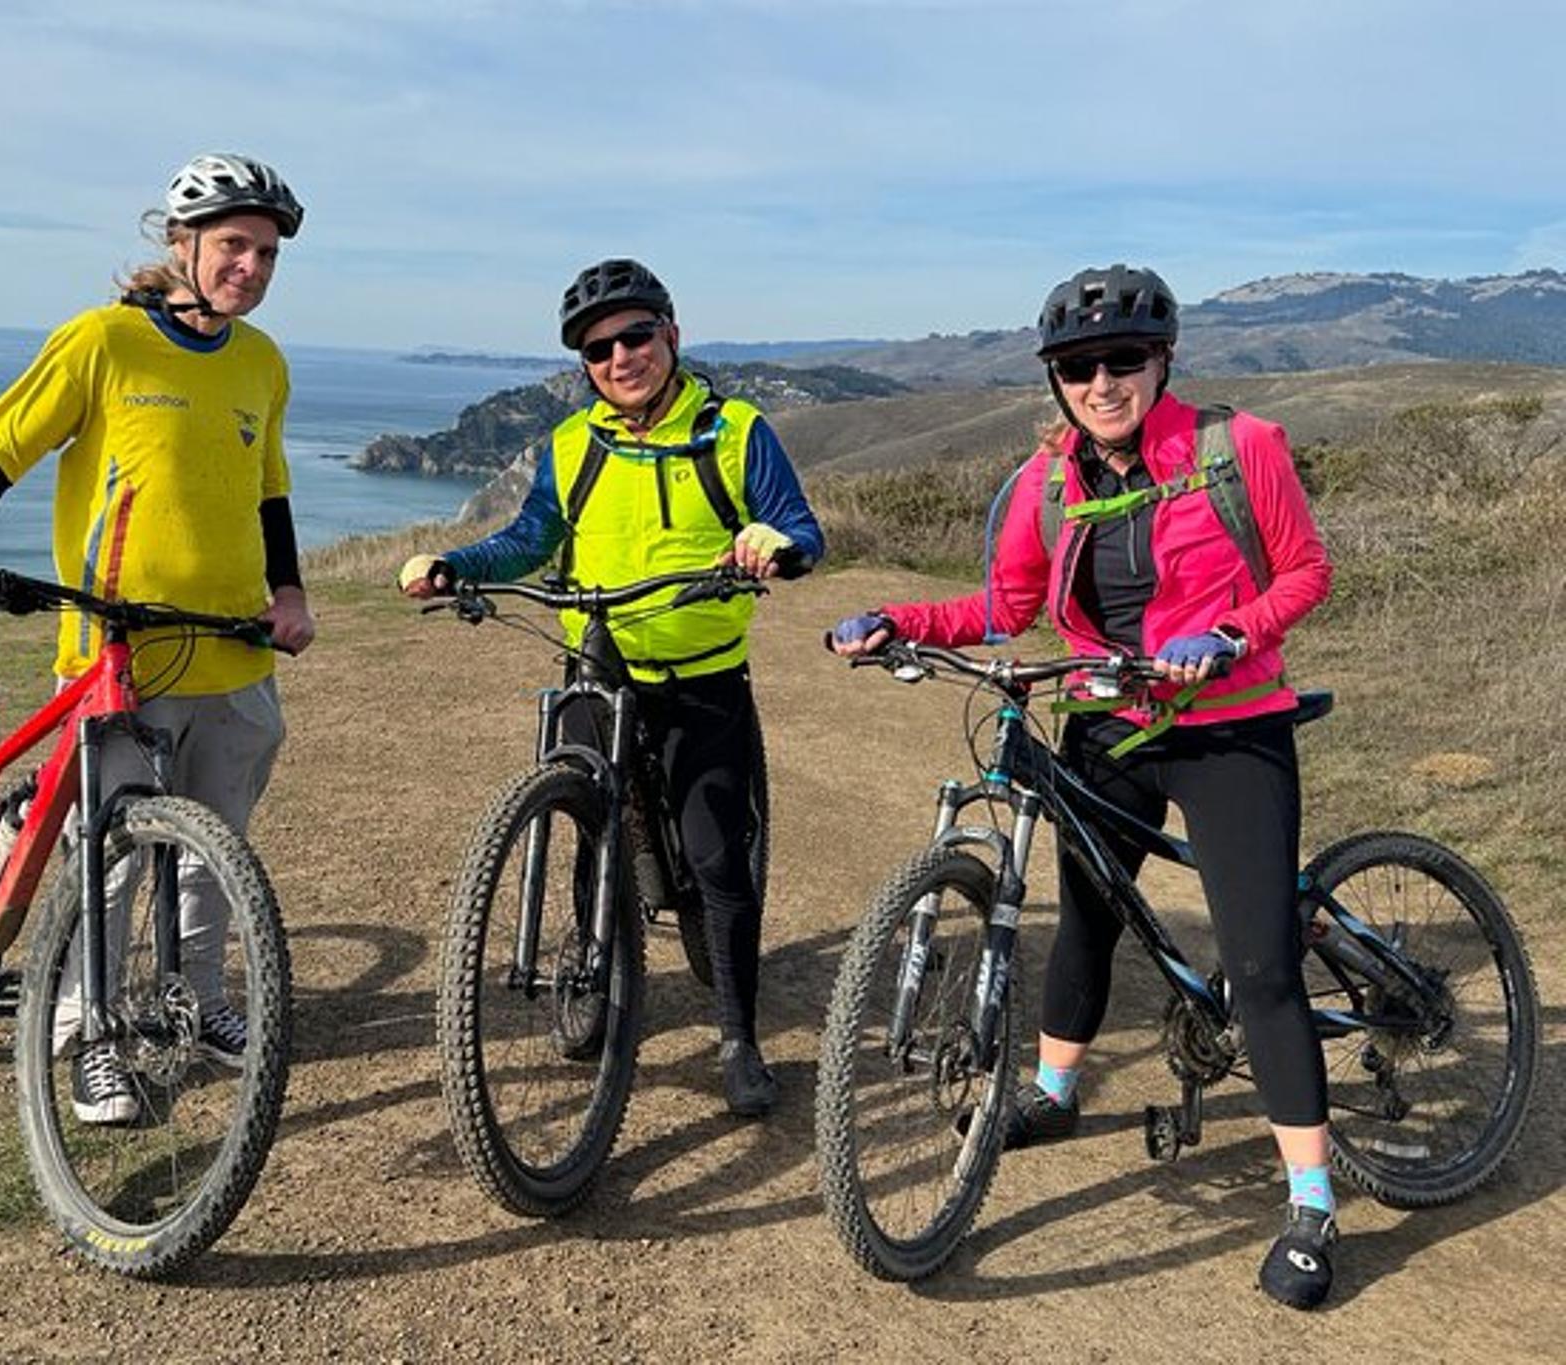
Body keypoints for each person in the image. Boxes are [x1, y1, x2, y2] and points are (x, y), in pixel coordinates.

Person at [830, 263, 1340, 1309]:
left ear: (1162, 360)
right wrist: (897, 620)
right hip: (1105, 722)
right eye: (1076, 366)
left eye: (1120, 360)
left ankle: (1310, 1201)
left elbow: (1304, 571)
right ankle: (1056, 1093)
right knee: (1086, 920)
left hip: (1227, 728)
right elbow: (1004, 603)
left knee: (1259, 962)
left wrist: (1232, 632)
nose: (1099, 382)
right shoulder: (1044, 483)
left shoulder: (1236, 448)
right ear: (1054, 378)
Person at [0, 152, 316, 1124]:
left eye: (263, 253)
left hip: (233, 647)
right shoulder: (103, 343)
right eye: (232, 247)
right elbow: (4, 442)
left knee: (216, 846)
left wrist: (289, 592)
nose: (249, 268)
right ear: (180, 246)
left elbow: (270, 494)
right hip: (119, 652)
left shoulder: (263, 363)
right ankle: (87, 1031)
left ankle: (202, 1000)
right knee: (117, 852)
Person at [400, 258, 825, 1117]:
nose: (620, 356)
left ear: (673, 334)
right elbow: (530, 537)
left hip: (700, 678)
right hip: (596, 668)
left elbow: (800, 529)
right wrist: (455, 565)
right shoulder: (573, 443)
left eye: (636, 335)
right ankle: (593, 970)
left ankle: (737, 1034)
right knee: (593, 834)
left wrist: (769, 546)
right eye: (599, 348)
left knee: (716, 859)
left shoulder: (735, 431)